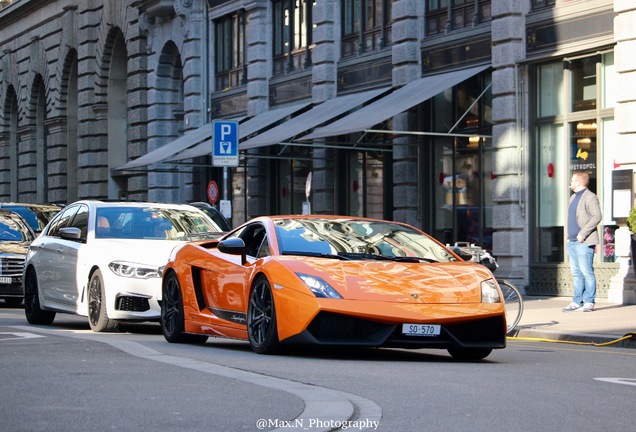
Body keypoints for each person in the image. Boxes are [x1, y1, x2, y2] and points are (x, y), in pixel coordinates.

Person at [563, 171, 602, 312]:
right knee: (576, 273)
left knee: (587, 272)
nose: (570, 183)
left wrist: (582, 234)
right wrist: (569, 237)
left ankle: (589, 302)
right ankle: (576, 301)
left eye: (572, 180)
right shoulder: (573, 197)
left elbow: (597, 216)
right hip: (572, 242)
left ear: (578, 182)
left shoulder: (590, 197)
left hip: (583, 242)